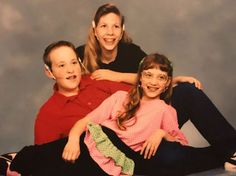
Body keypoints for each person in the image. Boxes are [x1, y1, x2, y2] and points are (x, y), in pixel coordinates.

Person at [1, 53, 235, 176]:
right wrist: (73, 138)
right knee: (61, 155)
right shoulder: (120, 98)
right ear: (139, 78)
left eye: (161, 78)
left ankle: (226, 155)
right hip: (103, 139)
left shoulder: (166, 110)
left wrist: (161, 133)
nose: (153, 82)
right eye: (148, 76)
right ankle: (15, 158)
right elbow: (86, 122)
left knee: (174, 159)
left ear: (166, 85)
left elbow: (178, 141)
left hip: (132, 157)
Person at [76, 3, 236, 169]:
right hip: (120, 126)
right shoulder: (80, 55)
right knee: (167, 158)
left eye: (115, 26)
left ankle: (232, 150)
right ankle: (217, 157)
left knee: (188, 91)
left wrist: (174, 80)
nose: (110, 33)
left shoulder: (131, 51)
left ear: (122, 29)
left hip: (150, 115)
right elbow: (68, 84)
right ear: (94, 28)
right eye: (103, 26)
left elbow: (153, 73)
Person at [34, 40, 131, 145]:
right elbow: (43, 157)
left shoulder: (97, 80)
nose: (70, 70)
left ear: (80, 63)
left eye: (74, 62)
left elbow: (141, 96)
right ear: (49, 72)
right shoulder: (48, 114)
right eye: (62, 65)